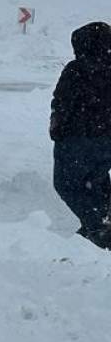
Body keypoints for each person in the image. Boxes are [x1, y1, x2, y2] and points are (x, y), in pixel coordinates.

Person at [51, 21, 111, 249]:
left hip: (77, 138)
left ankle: (98, 227)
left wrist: (57, 129)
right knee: (96, 183)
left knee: (66, 185)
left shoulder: (76, 69)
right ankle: (98, 224)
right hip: (106, 141)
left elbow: (62, 102)